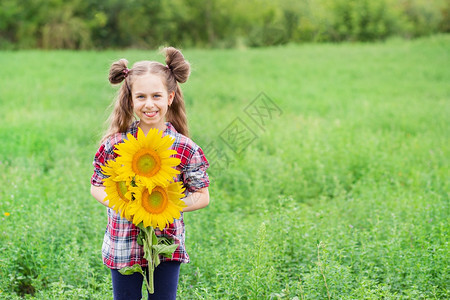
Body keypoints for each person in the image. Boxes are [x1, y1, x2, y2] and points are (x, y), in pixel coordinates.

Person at [90, 47, 210, 300]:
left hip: (165, 245)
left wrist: (161, 207)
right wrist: (126, 205)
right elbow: (97, 186)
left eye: (156, 96)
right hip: (123, 241)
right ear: (130, 99)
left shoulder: (185, 148)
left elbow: (202, 196)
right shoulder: (115, 144)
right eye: (141, 96)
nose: (149, 104)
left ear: (170, 97)